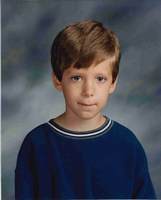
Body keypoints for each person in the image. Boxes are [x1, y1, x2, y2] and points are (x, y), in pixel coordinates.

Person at [15, 20, 156, 199]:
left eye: (100, 78)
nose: (88, 91)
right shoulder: (36, 145)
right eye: (76, 78)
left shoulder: (128, 145)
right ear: (58, 80)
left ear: (113, 83)